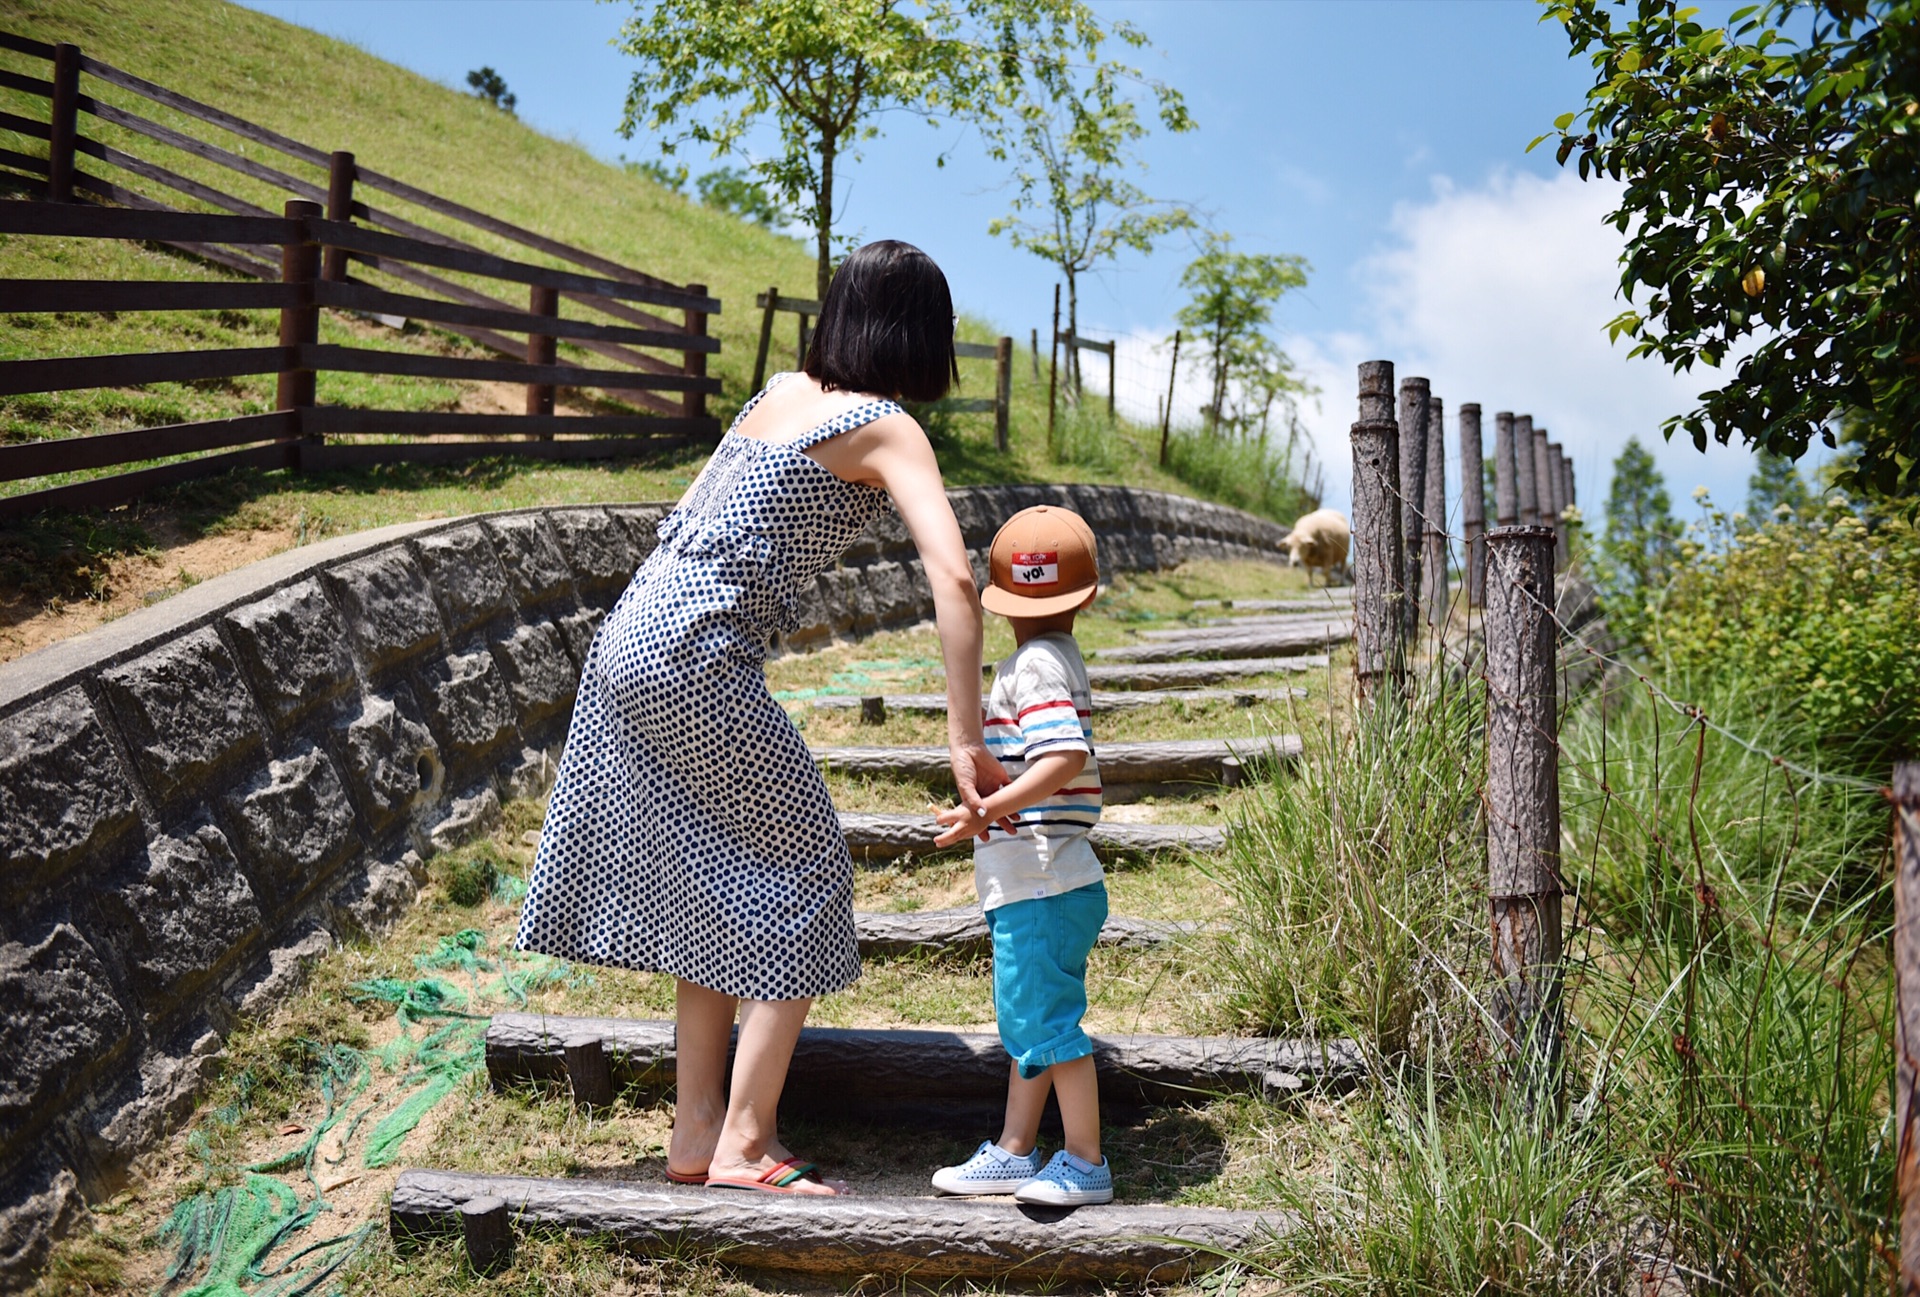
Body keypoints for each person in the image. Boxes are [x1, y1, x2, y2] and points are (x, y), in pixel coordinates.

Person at [515, 240, 1009, 1196]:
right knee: (807, 869)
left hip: (629, 635)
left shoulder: (776, 392)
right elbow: (955, 575)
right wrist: (964, 736)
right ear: (919, 335)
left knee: (714, 873)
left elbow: (695, 516)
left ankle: (698, 1130)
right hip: (699, 656)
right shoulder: (887, 425)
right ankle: (746, 1137)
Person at [929, 505, 1114, 1206]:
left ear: (998, 600)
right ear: (1087, 595)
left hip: (1040, 880)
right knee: (1032, 1019)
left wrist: (990, 806)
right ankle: (1014, 1147)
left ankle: (1085, 1159)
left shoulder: (1031, 665)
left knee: (1050, 1023)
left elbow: (1065, 754)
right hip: (1049, 876)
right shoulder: (1060, 658)